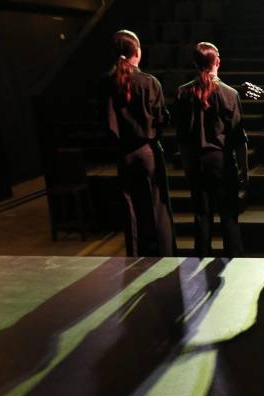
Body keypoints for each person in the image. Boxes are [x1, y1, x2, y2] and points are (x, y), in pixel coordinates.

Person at [100, 30, 175, 257]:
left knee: (130, 208)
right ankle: (164, 256)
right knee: (157, 208)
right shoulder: (149, 82)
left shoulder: (107, 82)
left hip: (123, 153)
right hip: (148, 151)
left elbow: (105, 121)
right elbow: (161, 118)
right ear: (137, 52)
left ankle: (134, 257)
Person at [175, 42, 248, 258]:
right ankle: (234, 262)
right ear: (217, 62)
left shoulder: (183, 93)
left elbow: (182, 137)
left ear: (195, 63)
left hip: (197, 160)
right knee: (229, 216)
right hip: (222, 162)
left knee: (202, 216)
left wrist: (187, 165)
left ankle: (201, 259)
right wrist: (243, 169)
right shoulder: (229, 94)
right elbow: (237, 137)